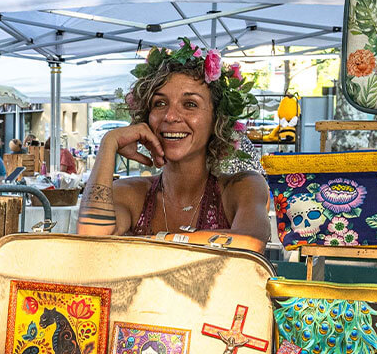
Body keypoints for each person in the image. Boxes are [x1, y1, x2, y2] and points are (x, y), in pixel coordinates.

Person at [77, 39, 272, 245]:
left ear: (217, 120)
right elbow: (91, 240)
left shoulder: (242, 187)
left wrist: (156, 240)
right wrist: (109, 143)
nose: (170, 116)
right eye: (160, 103)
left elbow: (250, 244)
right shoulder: (129, 193)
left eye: (190, 104)